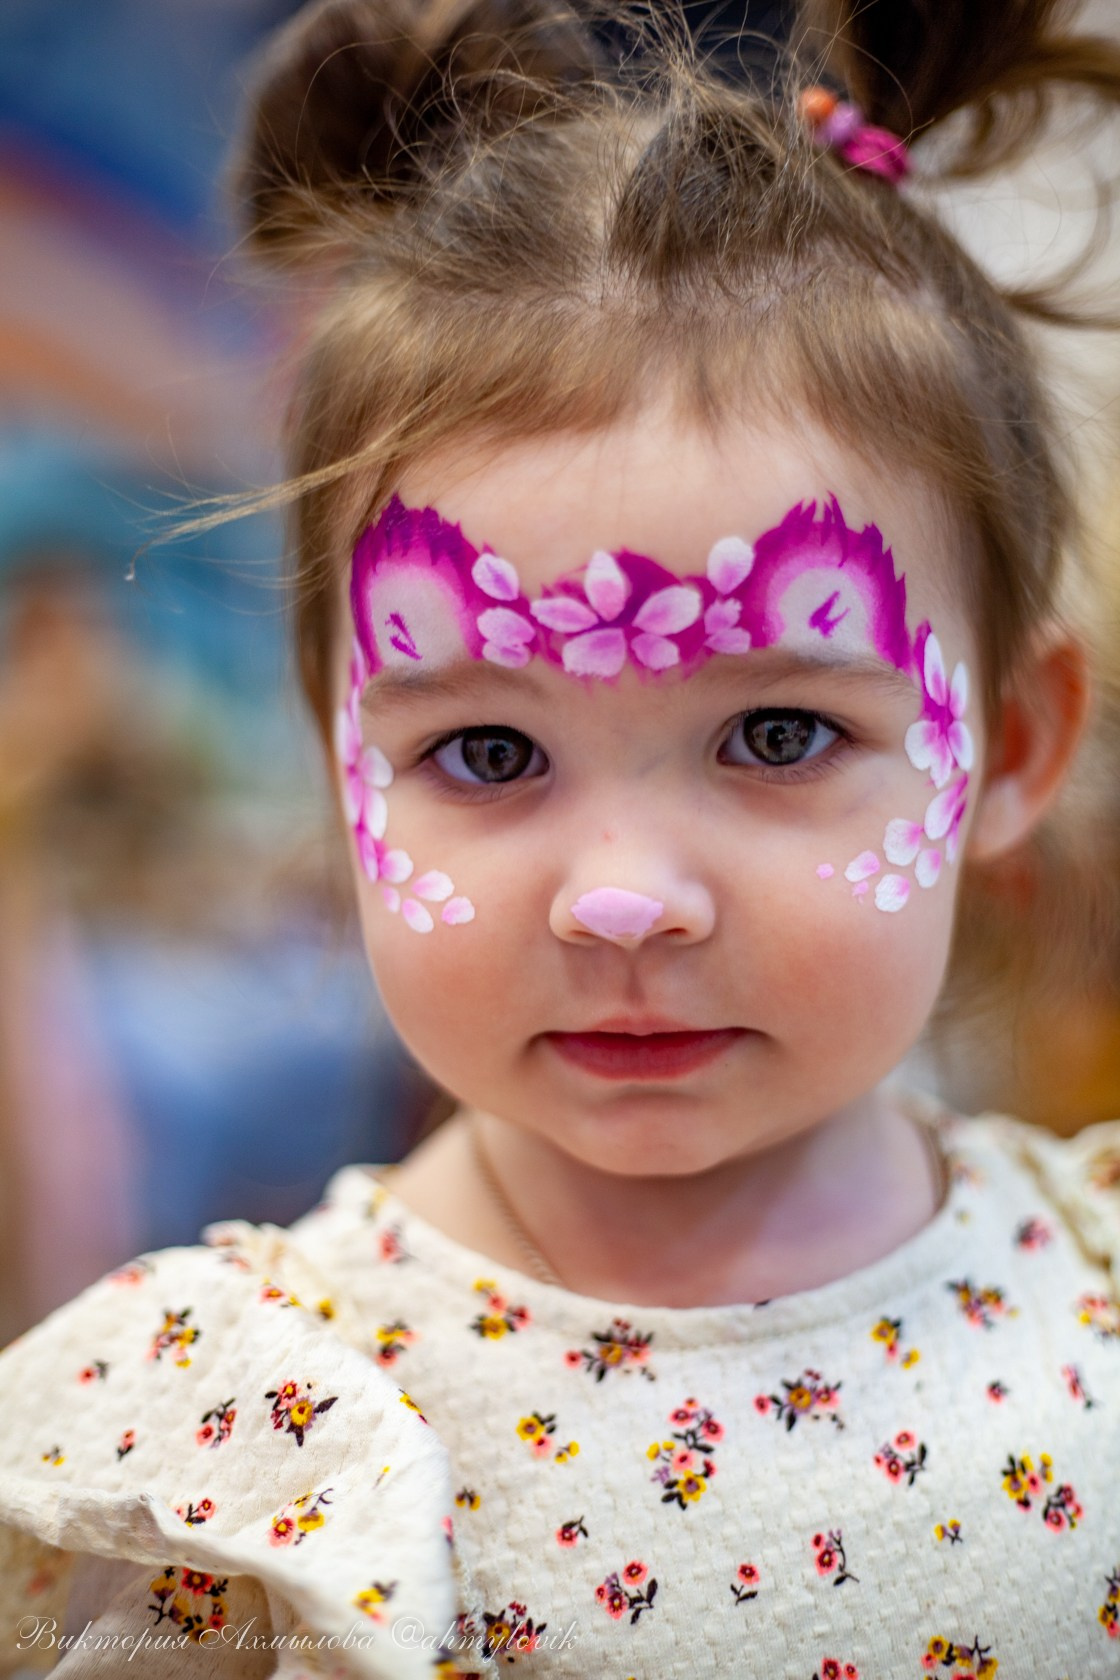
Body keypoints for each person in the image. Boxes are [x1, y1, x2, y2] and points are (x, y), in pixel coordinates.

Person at [2, 1, 1120, 1673]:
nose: (623, 900)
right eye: (489, 749)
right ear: (338, 762)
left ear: (1011, 745)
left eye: (780, 734)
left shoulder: (1096, 1295)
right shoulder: (230, 1449)